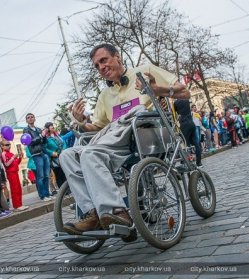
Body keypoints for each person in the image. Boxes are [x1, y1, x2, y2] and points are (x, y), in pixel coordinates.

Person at [60, 43, 190, 236]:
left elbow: (184, 92)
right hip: (113, 140)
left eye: (104, 60)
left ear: (117, 57)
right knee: (67, 155)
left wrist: (156, 89)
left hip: (143, 135)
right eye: (97, 65)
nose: (101, 67)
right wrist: (81, 122)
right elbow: (97, 127)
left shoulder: (144, 71)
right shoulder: (105, 95)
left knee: (92, 150)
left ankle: (117, 211)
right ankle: (92, 213)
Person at [23, 113, 52, 201]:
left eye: (32, 117)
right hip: (36, 154)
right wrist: (40, 136)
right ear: (26, 120)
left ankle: (47, 194)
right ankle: (42, 196)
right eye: (28, 118)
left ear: (35, 119)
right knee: (40, 176)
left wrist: (44, 136)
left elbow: (44, 141)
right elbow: (30, 142)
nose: (30, 119)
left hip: (43, 153)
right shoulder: (26, 130)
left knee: (47, 175)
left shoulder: (39, 129)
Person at [0, 141, 28, 211]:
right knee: (14, 189)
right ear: (2, 146)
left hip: (15, 172)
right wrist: (13, 157)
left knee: (18, 188)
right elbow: (6, 164)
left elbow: (16, 163)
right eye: (6, 145)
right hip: (11, 173)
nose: (9, 146)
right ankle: (17, 205)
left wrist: (20, 157)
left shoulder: (11, 153)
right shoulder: (4, 154)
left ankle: (20, 204)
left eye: (9, 144)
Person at [43, 122, 67, 188]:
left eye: (52, 126)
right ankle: (62, 190)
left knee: (64, 173)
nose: (53, 127)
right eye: (51, 126)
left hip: (62, 156)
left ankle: (68, 190)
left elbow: (64, 143)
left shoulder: (57, 135)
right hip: (54, 158)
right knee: (58, 174)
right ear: (47, 129)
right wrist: (51, 153)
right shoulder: (46, 138)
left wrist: (64, 149)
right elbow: (44, 148)